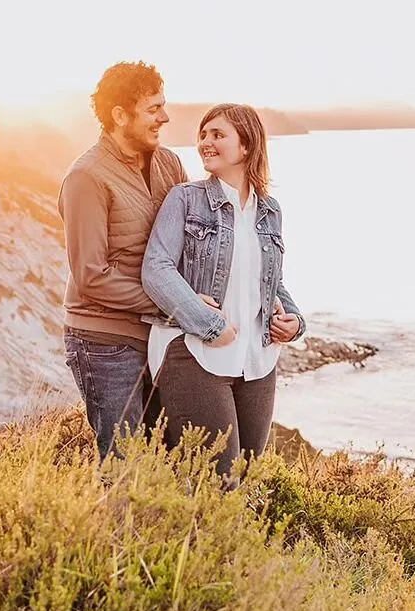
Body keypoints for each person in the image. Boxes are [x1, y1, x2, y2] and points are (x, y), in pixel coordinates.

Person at [141, 103, 305, 482]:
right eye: (203, 135)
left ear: (246, 146)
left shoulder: (270, 210)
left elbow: (274, 281)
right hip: (196, 354)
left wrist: (294, 322)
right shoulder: (186, 199)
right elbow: (156, 268)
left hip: (258, 359)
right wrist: (209, 324)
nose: (205, 143)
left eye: (218, 135)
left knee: (245, 476)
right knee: (216, 481)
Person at [58, 61, 188, 460]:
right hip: (104, 343)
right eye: (153, 109)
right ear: (119, 115)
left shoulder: (170, 164)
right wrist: (177, 303)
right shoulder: (87, 178)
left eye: (163, 106)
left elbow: (198, 241)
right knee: (124, 466)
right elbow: (92, 276)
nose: (164, 117)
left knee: (169, 458)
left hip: (160, 337)